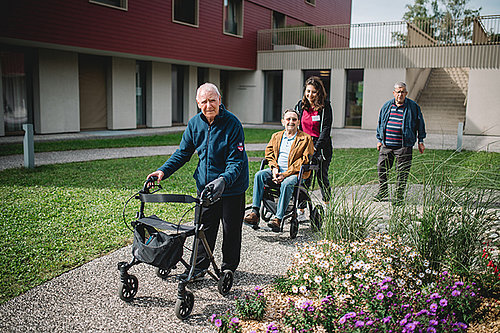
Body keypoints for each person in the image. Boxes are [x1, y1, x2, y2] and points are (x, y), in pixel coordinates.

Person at [146, 82, 249, 278]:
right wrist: (162, 171)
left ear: (220, 100)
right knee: (203, 228)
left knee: (231, 230)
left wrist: (223, 180)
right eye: (204, 101)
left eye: (212, 100)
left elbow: (236, 161)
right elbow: (182, 153)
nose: (208, 105)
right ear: (197, 103)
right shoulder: (194, 124)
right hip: (206, 188)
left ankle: (228, 268)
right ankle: (199, 267)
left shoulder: (232, 123)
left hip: (231, 187)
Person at [243, 109, 314, 232]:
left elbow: (304, 160)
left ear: (298, 123)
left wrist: (285, 174)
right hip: (277, 170)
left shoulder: (306, 139)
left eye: (294, 119)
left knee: (287, 183)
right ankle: (255, 213)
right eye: (288, 119)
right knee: (259, 175)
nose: (290, 122)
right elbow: (269, 153)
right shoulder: (276, 136)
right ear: (283, 122)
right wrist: (274, 169)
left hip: (295, 173)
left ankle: (278, 218)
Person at [375, 81, 426, 205]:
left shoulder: (413, 107)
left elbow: (420, 124)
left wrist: (421, 141)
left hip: (404, 146)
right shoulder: (387, 106)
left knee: (402, 171)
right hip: (387, 145)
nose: (400, 94)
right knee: (381, 168)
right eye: (398, 92)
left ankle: (399, 196)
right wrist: (379, 139)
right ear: (394, 93)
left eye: (403, 92)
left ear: (406, 93)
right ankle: (383, 192)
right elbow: (380, 123)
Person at [294, 76, 333, 207]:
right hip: (304, 145)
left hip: (321, 147)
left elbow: (326, 129)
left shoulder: (325, 107)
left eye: (314, 92)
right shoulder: (301, 105)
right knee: (304, 178)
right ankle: (301, 209)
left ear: (319, 93)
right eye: (308, 91)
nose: (310, 94)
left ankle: (327, 205)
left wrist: (315, 148)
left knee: (322, 178)